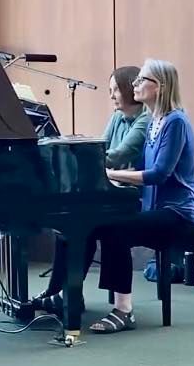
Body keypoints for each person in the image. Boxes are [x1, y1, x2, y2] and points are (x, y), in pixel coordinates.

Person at [89, 58, 194, 334]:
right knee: (106, 227)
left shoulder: (176, 121)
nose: (135, 84)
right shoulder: (154, 121)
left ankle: (123, 311)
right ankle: (118, 304)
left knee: (116, 231)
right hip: (158, 209)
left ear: (160, 87)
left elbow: (158, 174)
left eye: (142, 80)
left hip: (182, 213)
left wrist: (111, 175)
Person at [31, 66, 149, 314]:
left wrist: (81, 158)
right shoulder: (117, 117)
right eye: (110, 90)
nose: (112, 95)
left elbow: (116, 155)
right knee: (68, 223)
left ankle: (68, 294)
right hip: (111, 190)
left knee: (82, 225)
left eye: (115, 89)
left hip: (133, 195)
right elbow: (101, 147)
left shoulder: (144, 119)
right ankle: (62, 292)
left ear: (129, 89)